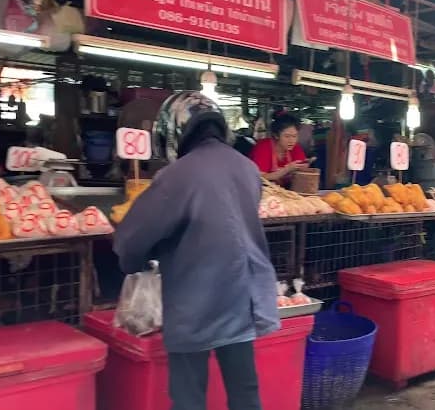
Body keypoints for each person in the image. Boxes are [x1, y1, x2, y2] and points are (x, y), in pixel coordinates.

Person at [114, 91, 279, 410]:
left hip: (195, 301)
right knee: (245, 392)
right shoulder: (247, 168)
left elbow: (132, 239)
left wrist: (132, 262)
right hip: (243, 296)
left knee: (189, 397)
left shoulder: (176, 175)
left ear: (174, 131)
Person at [249, 111, 308, 186]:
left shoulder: (296, 148)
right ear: (276, 135)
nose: (291, 141)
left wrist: (304, 167)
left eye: (294, 136)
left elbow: (302, 174)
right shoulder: (263, 147)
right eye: (287, 136)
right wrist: (287, 169)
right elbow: (261, 177)